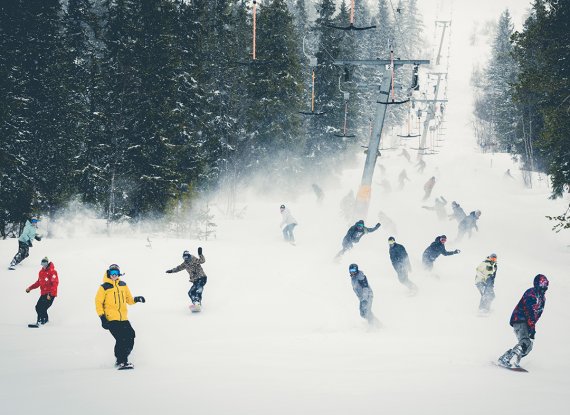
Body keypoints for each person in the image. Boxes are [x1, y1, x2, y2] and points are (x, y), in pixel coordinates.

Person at [95, 264, 145, 370]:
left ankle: (121, 358)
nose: (114, 275)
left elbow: (129, 300)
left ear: (119, 274)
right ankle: (122, 361)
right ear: (109, 273)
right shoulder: (104, 287)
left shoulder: (123, 285)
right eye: (112, 273)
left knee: (131, 335)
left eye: (116, 273)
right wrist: (102, 318)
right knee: (121, 339)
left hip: (123, 318)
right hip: (111, 319)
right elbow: (98, 303)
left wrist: (137, 299)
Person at [497, 274, 549, 368]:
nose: (544, 286)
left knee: (528, 346)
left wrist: (531, 327)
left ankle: (506, 357)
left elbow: (538, 314)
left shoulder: (542, 298)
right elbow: (530, 311)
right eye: (542, 283)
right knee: (525, 341)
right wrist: (532, 326)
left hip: (527, 323)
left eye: (546, 283)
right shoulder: (531, 293)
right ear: (537, 283)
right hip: (520, 319)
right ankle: (511, 359)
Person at [25, 257, 59, 326]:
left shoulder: (52, 272)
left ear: (48, 263)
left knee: (43, 308)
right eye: (42, 263)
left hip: (50, 294)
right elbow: (38, 283)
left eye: (45, 263)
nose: (44, 265)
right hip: (43, 293)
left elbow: (55, 283)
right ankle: (44, 320)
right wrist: (30, 288)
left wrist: (51, 294)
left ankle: (42, 321)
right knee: (38, 307)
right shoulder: (41, 272)